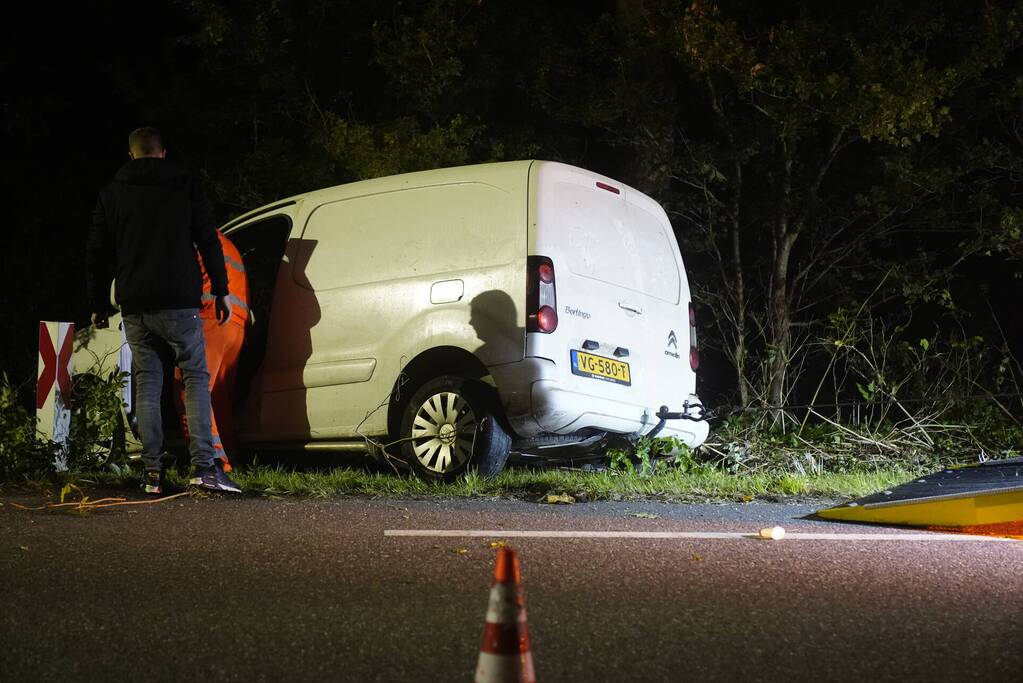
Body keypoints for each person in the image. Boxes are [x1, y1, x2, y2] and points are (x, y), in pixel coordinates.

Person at [86, 126, 241, 494]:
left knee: (149, 384)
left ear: (131, 155)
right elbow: (207, 237)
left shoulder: (112, 193)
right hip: (179, 302)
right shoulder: (185, 185)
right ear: (163, 153)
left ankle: (152, 474)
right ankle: (204, 468)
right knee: (195, 380)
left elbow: (96, 252)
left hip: (136, 304)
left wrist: (96, 303)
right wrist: (221, 290)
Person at [175, 229, 249, 473]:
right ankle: (229, 458)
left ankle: (209, 462)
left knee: (191, 390)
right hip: (234, 324)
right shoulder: (227, 243)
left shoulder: (192, 241)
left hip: (209, 319)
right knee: (217, 395)